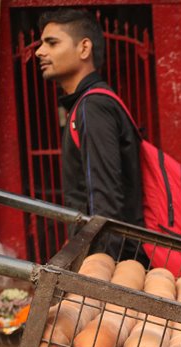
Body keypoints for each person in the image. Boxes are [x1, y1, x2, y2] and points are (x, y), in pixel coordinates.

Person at [36, 9, 144, 259]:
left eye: (51, 43)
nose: (40, 51)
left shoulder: (93, 107)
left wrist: (98, 270)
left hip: (115, 263)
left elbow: (104, 202)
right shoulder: (87, 104)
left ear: (84, 48)